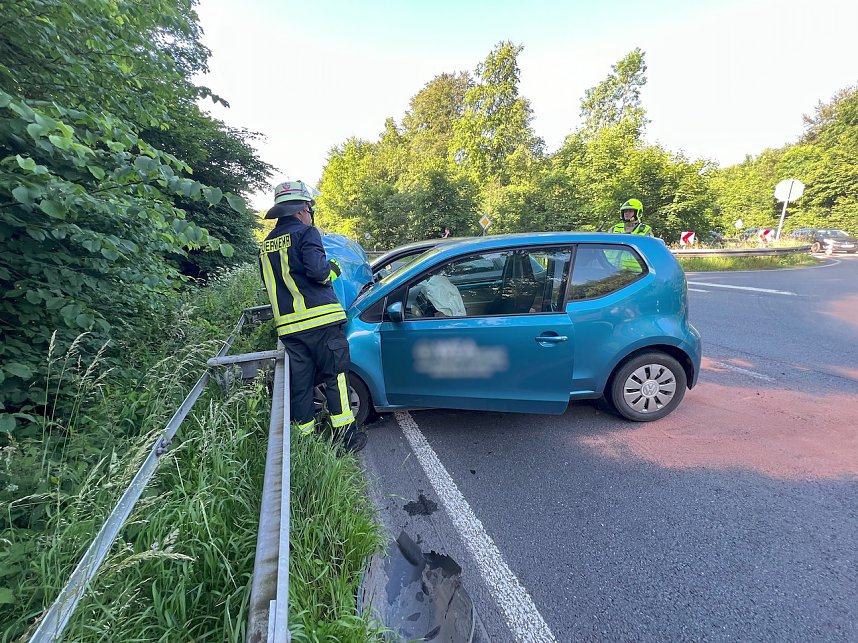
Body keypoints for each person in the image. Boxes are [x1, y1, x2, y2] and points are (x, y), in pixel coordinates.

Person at [259, 180, 367, 453]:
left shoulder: (266, 245)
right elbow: (319, 273)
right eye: (309, 208)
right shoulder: (307, 233)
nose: (310, 213)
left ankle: (303, 442)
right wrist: (333, 268)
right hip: (321, 322)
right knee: (336, 377)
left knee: (301, 384)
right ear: (301, 209)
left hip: (289, 329)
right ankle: (346, 437)